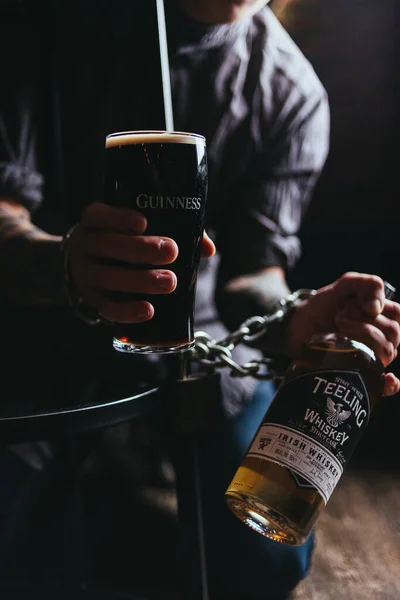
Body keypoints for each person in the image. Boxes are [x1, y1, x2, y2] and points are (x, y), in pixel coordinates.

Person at [0, 1, 399, 599]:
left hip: (200, 350)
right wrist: (65, 261)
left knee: (264, 563)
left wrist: (296, 318)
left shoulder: (290, 92)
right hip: (34, 329)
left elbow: (254, 275)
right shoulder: (45, 21)